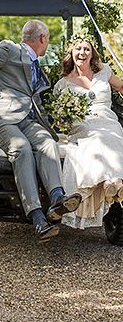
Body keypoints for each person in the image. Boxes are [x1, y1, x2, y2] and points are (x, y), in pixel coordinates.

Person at [0, 20, 82, 242]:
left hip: (27, 119)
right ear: (42, 39)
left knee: (48, 143)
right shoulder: (8, 49)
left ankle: (58, 199)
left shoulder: (35, 62)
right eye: (48, 40)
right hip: (1, 119)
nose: (47, 44)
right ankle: (37, 217)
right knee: (21, 148)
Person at [54, 38, 123, 229]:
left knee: (114, 134)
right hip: (82, 123)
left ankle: (114, 181)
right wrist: (65, 118)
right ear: (72, 53)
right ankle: (112, 182)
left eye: (87, 49)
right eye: (78, 49)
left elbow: (121, 87)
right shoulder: (62, 84)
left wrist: (102, 65)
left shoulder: (104, 72)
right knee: (95, 137)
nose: (82, 52)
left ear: (92, 54)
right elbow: (59, 118)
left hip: (107, 118)